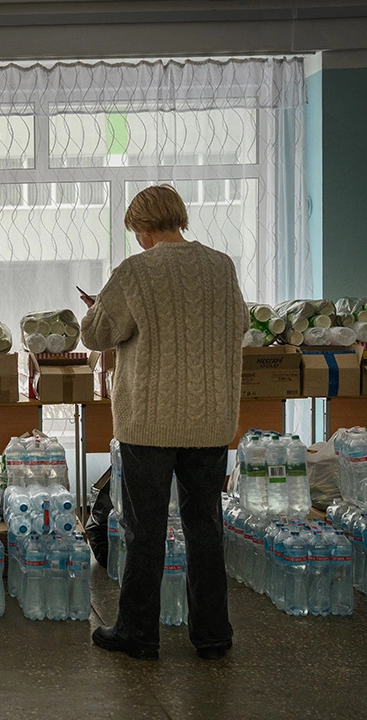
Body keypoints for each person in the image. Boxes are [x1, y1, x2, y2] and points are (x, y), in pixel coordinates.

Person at [80, 184, 245, 661]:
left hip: (149, 425)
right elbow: (239, 324)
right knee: (205, 528)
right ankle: (213, 635)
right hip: (210, 421)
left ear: (144, 228)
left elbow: (96, 334)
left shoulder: (135, 272)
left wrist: (98, 310)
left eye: (137, 231)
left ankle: (137, 633)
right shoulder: (221, 266)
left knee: (145, 532)